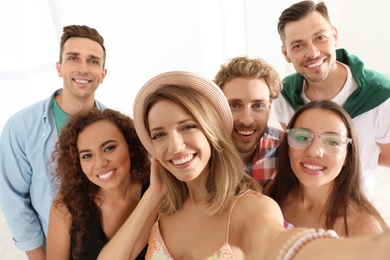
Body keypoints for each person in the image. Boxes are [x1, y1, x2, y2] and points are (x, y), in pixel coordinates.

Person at [97, 71, 390, 260]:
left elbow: (276, 241)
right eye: (159, 134)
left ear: (213, 132)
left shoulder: (253, 206)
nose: (174, 146)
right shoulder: (163, 209)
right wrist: (152, 196)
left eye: (188, 127)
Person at [0, 24, 107, 259]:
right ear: (59, 68)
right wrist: (38, 256)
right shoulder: (21, 127)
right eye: (73, 58)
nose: (83, 68)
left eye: (93, 61)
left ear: (103, 73)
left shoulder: (114, 128)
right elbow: (14, 199)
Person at [273, 0, 390, 198]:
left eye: (320, 38)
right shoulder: (282, 96)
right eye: (298, 45)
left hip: (353, 207)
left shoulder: (381, 97)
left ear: (334, 36)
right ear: (286, 54)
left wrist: (349, 158)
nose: (312, 52)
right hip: (300, 203)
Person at [264, 100, 388, 236]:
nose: (314, 151)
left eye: (332, 141)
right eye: (301, 137)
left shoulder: (365, 229)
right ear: (287, 147)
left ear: (347, 156)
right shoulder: (273, 194)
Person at [46, 108, 150, 260]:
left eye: (109, 148)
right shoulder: (65, 207)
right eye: (87, 155)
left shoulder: (157, 191)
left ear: (131, 146)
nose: (100, 163)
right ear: (78, 163)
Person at [214, 56, 284, 187]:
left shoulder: (287, 149)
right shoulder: (200, 151)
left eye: (258, 106)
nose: (246, 120)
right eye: (234, 105)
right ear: (218, 106)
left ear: (269, 108)